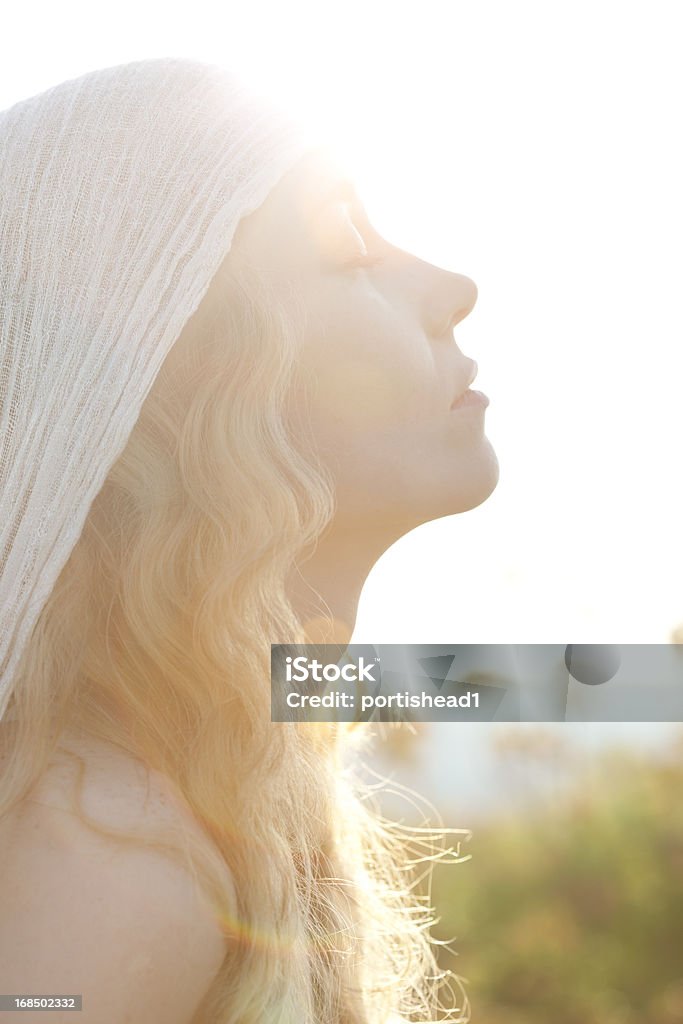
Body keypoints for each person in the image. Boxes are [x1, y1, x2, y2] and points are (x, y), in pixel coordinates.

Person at [0, 58, 498, 1023]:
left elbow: (551, 683)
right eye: (349, 241)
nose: (455, 285)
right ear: (181, 388)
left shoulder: (190, 771)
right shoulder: (107, 868)